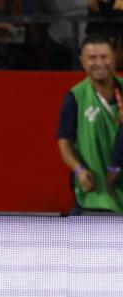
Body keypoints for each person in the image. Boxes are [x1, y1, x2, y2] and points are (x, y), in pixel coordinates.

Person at [57, 34, 123, 213]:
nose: (99, 63)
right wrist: (78, 170)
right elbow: (64, 142)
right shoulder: (75, 97)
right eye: (92, 58)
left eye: (104, 57)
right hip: (95, 198)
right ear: (82, 61)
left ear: (114, 58)